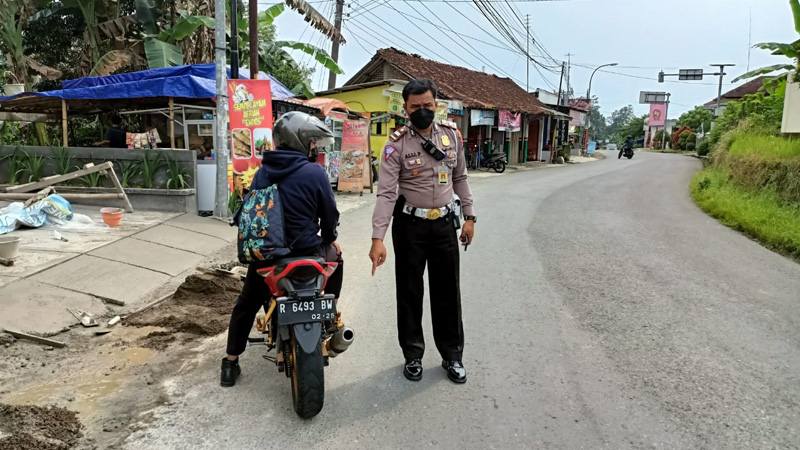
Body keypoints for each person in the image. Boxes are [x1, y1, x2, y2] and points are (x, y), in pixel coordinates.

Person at [221, 112, 343, 387]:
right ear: (299, 141)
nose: (314, 147)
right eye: (311, 142)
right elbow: (329, 215)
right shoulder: (315, 172)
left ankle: (229, 362)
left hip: (269, 257)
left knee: (247, 303)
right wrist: (330, 237)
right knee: (337, 258)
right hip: (309, 253)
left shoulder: (263, 171)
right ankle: (329, 308)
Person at [369, 79, 476, 384]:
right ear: (405, 109)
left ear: (436, 105)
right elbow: (386, 194)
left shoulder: (451, 137)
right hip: (410, 227)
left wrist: (469, 216)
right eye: (415, 107)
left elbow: (461, 178)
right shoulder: (395, 145)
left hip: (444, 225)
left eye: (427, 106)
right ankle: (413, 355)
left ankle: (452, 356)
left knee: (448, 293)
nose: (422, 111)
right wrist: (378, 239)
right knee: (410, 292)